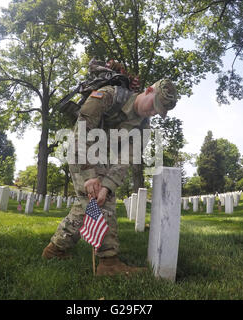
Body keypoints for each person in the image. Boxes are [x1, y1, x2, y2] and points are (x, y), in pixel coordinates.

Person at [42, 79, 178, 276]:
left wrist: (107, 185)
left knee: (92, 202)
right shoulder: (108, 96)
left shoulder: (143, 128)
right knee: (101, 204)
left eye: (158, 112)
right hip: (82, 151)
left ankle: (56, 249)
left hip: (105, 157)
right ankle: (109, 262)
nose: (153, 112)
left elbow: (125, 160)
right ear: (148, 90)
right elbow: (82, 131)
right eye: (153, 106)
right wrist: (89, 175)